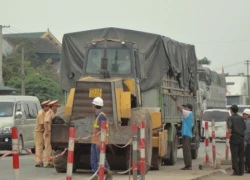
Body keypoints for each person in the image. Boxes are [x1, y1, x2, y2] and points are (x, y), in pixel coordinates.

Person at [90, 97, 112, 180]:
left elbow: (102, 129)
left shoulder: (101, 116)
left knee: (101, 159)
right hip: (95, 141)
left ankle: (109, 173)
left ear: (94, 105)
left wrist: (100, 142)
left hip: (99, 141)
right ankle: (95, 175)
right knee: (94, 159)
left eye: (92, 104)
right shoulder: (98, 115)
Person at [172, 96, 194, 170]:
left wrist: (176, 101)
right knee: (186, 150)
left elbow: (179, 108)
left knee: (186, 151)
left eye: (186, 107)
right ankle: (187, 165)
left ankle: (188, 166)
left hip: (187, 135)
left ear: (189, 108)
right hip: (187, 135)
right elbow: (180, 109)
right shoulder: (189, 114)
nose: (184, 108)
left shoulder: (188, 113)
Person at [228, 105, 246, 176]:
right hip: (241, 138)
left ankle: (236, 171)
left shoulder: (230, 118)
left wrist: (230, 133)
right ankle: (241, 171)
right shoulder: (241, 118)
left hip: (234, 137)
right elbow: (244, 127)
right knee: (241, 155)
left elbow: (229, 129)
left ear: (231, 110)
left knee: (234, 155)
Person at [43, 100, 60, 168]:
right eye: (56, 106)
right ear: (52, 106)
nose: (57, 107)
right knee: (47, 148)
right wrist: (46, 131)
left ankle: (50, 162)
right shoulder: (49, 113)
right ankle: (47, 163)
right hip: (48, 132)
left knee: (50, 148)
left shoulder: (53, 113)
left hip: (50, 132)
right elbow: (46, 122)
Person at [34, 100, 50, 167]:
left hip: (42, 131)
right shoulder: (41, 113)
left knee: (42, 147)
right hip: (39, 132)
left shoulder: (44, 112)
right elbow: (43, 123)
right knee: (39, 146)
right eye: (48, 106)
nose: (49, 108)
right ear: (44, 107)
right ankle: (38, 161)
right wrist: (47, 130)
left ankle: (41, 161)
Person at [243, 108, 250, 173]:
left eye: (244, 114)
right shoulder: (246, 121)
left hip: (248, 142)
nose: (243, 115)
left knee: (247, 155)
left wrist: (245, 140)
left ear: (248, 115)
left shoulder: (248, 122)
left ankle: (248, 169)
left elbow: (247, 132)